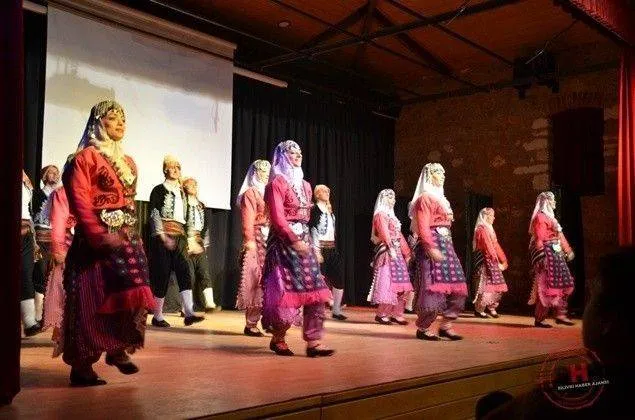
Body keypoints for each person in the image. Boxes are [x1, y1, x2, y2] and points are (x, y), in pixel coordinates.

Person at [60, 100, 155, 386]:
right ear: (98, 123)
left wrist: (129, 235)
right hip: (95, 244)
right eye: (113, 118)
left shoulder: (128, 162)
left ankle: (118, 348)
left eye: (123, 119)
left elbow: (128, 202)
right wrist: (98, 235)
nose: (121, 123)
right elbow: (79, 200)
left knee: (134, 295)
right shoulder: (83, 159)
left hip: (125, 239)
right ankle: (82, 367)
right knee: (91, 301)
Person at [481, 247, 635, 419]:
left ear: (608, 320)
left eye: (592, 298)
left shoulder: (574, 392)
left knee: (492, 403)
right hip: (548, 260)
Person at [261, 140, 334, 357]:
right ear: (283, 157)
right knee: (285, 292)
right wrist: (293, 239)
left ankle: (313, 342)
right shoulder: (276, 184)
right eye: (292, 153)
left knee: (316, 291)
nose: (298, 155)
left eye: (300, 152)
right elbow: (278, 218)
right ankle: (278, 338)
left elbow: (306, 218)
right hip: (284, 243)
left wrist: (309, 243)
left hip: (304, 241)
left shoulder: (306, 186)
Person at [410, 163, 467, 341]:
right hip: (432, 243)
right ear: (429, 176)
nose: (442, 175)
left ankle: (446, 325)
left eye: (443, 173)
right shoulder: (425, 198)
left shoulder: (442, 199)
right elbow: (423, 225)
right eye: (437, 172)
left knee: (458, 285)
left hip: (446, 244)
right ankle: (423, 327)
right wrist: (430, 246)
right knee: (432, 287)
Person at [148, 156, 204, 327]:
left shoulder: (183, 194)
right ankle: (157, 316)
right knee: (162, 274)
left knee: (184, 273)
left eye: (177, 167)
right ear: (165, 170)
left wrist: (191, 240)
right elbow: (154, 213)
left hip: (180, 237)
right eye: (171, 167)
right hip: (163, 236)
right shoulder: (158, 190)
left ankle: (189, 313)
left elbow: (188, 219)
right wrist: (162, 236)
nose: (175, 170)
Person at [528, 191, 575, 328]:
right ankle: (540, 318)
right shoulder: (540, 217)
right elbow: (539, 237)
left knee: (563, 282)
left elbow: (560, 235)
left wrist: (568, 250)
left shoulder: (552, 218)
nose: (555, 203)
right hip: (547, 255)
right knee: (546, 286)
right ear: (547, 202)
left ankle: (561, 314)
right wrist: (541, 256)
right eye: (552, 200)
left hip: (556, 254)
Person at [367, 189, 412, 325]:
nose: (393, 200)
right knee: (388, 282)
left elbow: (399, 235)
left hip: (396, 252)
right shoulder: (380, 215)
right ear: (384, 199)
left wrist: (406, 252)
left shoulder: (392, 216)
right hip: (388, 252)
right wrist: (391, 247)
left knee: (401, 282)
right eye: (390, 198)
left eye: (393, 198)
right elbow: (384, 233)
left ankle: (397, 313)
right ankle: (382, 313)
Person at [236, 160, 271, 337]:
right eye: (262, 171)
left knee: (272, 278)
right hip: (257, 238)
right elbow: (248, 218)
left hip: (271, 237)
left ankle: (270, 320)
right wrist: (249, 239)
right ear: (255, 173)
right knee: (256, 278)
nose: (266, 174)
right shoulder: (250, 193)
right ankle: (251, 323)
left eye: (268, 171)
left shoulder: (270, 192)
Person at [42, 185, 76, 350]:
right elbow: (58, 221)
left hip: (82, 243)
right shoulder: (61, 193)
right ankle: (61, 332)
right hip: (66, 243)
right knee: (61, 287)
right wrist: (58, 249)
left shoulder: (87, 189)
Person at [309, 184, 347, 321]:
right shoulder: (315, 209)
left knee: (339, 279)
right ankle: (316, 311)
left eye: (328, 191)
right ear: (317, 194)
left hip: (332, 248)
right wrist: (317, 251)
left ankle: (336, 310)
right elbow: (313, 230)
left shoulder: (329, 210)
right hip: (320, 248)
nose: (327, 193)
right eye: (324, 191)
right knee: (318, 280)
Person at [32, 164, 61, 324]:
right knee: (40, 273)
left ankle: (49, 314)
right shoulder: (37, 195)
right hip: (41, 238)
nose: (55, 175)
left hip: (56, 238)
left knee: (54, 275)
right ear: (44, 176)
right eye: (51, 172)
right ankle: (37, 315)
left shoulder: (59, 195)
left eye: (57, 173)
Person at [182, 177, 216, 312]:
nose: (194, 186)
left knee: (204, 272)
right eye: (190, 185)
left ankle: (210, 303)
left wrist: (203, 244)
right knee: (188, 275)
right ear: (185, 188)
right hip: (186, 242)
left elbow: (205, 227)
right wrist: (186, 241)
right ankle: (186, 307)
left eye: (195, 185)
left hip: (198, 242)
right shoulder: (183, 204)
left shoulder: (201, 205)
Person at [472, 208, 508, 318]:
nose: (493, 218)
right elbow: (487, 245)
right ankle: (479, 309)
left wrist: (503, 260)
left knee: (496, 284)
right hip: (484, 260)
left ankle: (492, 307)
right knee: (483, 285)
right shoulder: (481, 229)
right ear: (486, 216)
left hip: (492, 260)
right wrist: (494, 258)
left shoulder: (490, 229)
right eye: (492, 216)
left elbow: (495, 245)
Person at [20, 170, 41, 336]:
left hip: (26, 231)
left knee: (26, 273)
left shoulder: (25, 178)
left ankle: (29, 322)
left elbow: (27, 208)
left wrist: (33, 238)